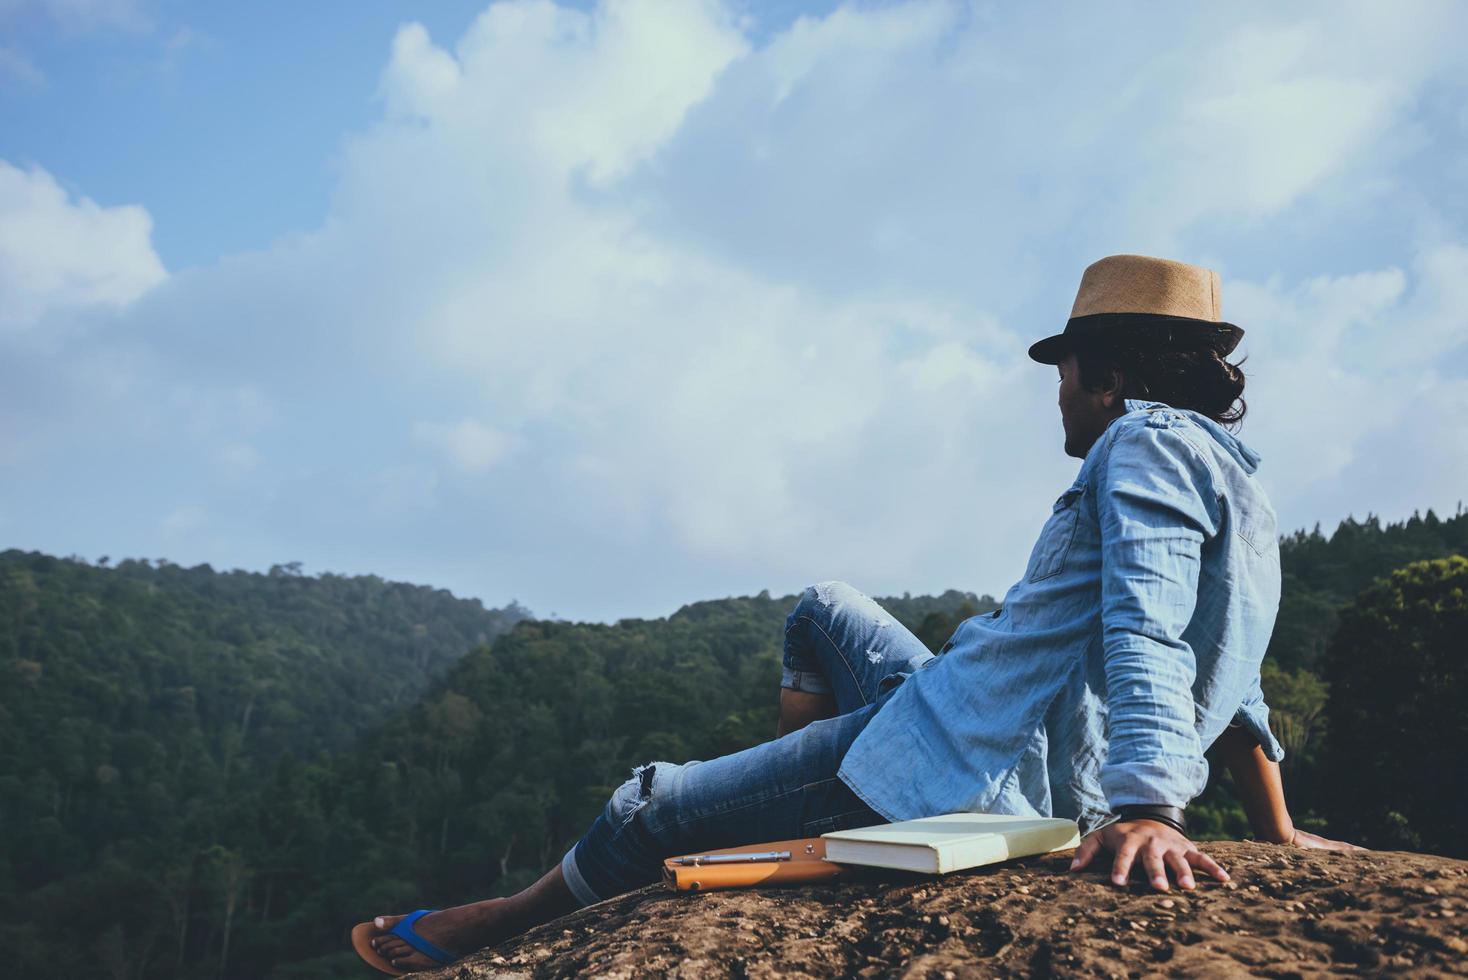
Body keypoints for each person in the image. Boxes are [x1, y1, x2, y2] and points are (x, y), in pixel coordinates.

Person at [356, 254, 1359, 974]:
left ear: (1109, 370)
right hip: (967, 713)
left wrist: (1149, 806)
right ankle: (812, 778)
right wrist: (1276, 826)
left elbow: (1150, 624)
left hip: (971, 764)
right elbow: (1229, 661)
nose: (1057, 396)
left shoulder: (1137, 446)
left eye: (1063, 372)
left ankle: (488, 924)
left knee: (643, 807)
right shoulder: (1240, 485)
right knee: (821, 607)